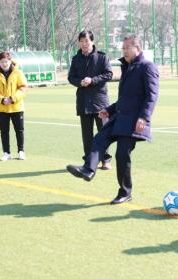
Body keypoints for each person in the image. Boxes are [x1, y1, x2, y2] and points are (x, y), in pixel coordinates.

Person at [66, 35, 159, 205]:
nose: (123, 52)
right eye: (122, 48)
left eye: (126, 48)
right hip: (119, 117)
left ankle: (125, 192)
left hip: (134, 122)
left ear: (137, 49)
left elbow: (151, 96)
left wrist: (144, 117)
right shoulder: (128, 67)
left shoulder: (147, 67)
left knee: (122, 154)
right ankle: (88, 169)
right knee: (100, 139)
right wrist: (108, 110)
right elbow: (126, 98)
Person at [68, 30, 113, 170]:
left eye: (86, 41)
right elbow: (71, 77)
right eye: (81, 41)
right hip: (83, 102)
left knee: (103, 133)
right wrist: (80, 82)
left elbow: (109, 74)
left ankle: (105, 160)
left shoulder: (101, 57)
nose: (84, 44)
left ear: (92, 41)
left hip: (100, 102)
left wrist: (92, 80)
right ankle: (89, 162)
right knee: (86, 136)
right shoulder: (76, 59)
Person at [0, 51, 28, 161]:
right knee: (4, 131)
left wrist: (12, 98)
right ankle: (6, 153)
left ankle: (21, 151)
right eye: (2, 62)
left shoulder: (17, 72)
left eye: (6, 61)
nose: (4, 64)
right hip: (1, 108)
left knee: (19, 130)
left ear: (10, 61)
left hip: (17, 107)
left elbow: (23, 87)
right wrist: (1, 99)